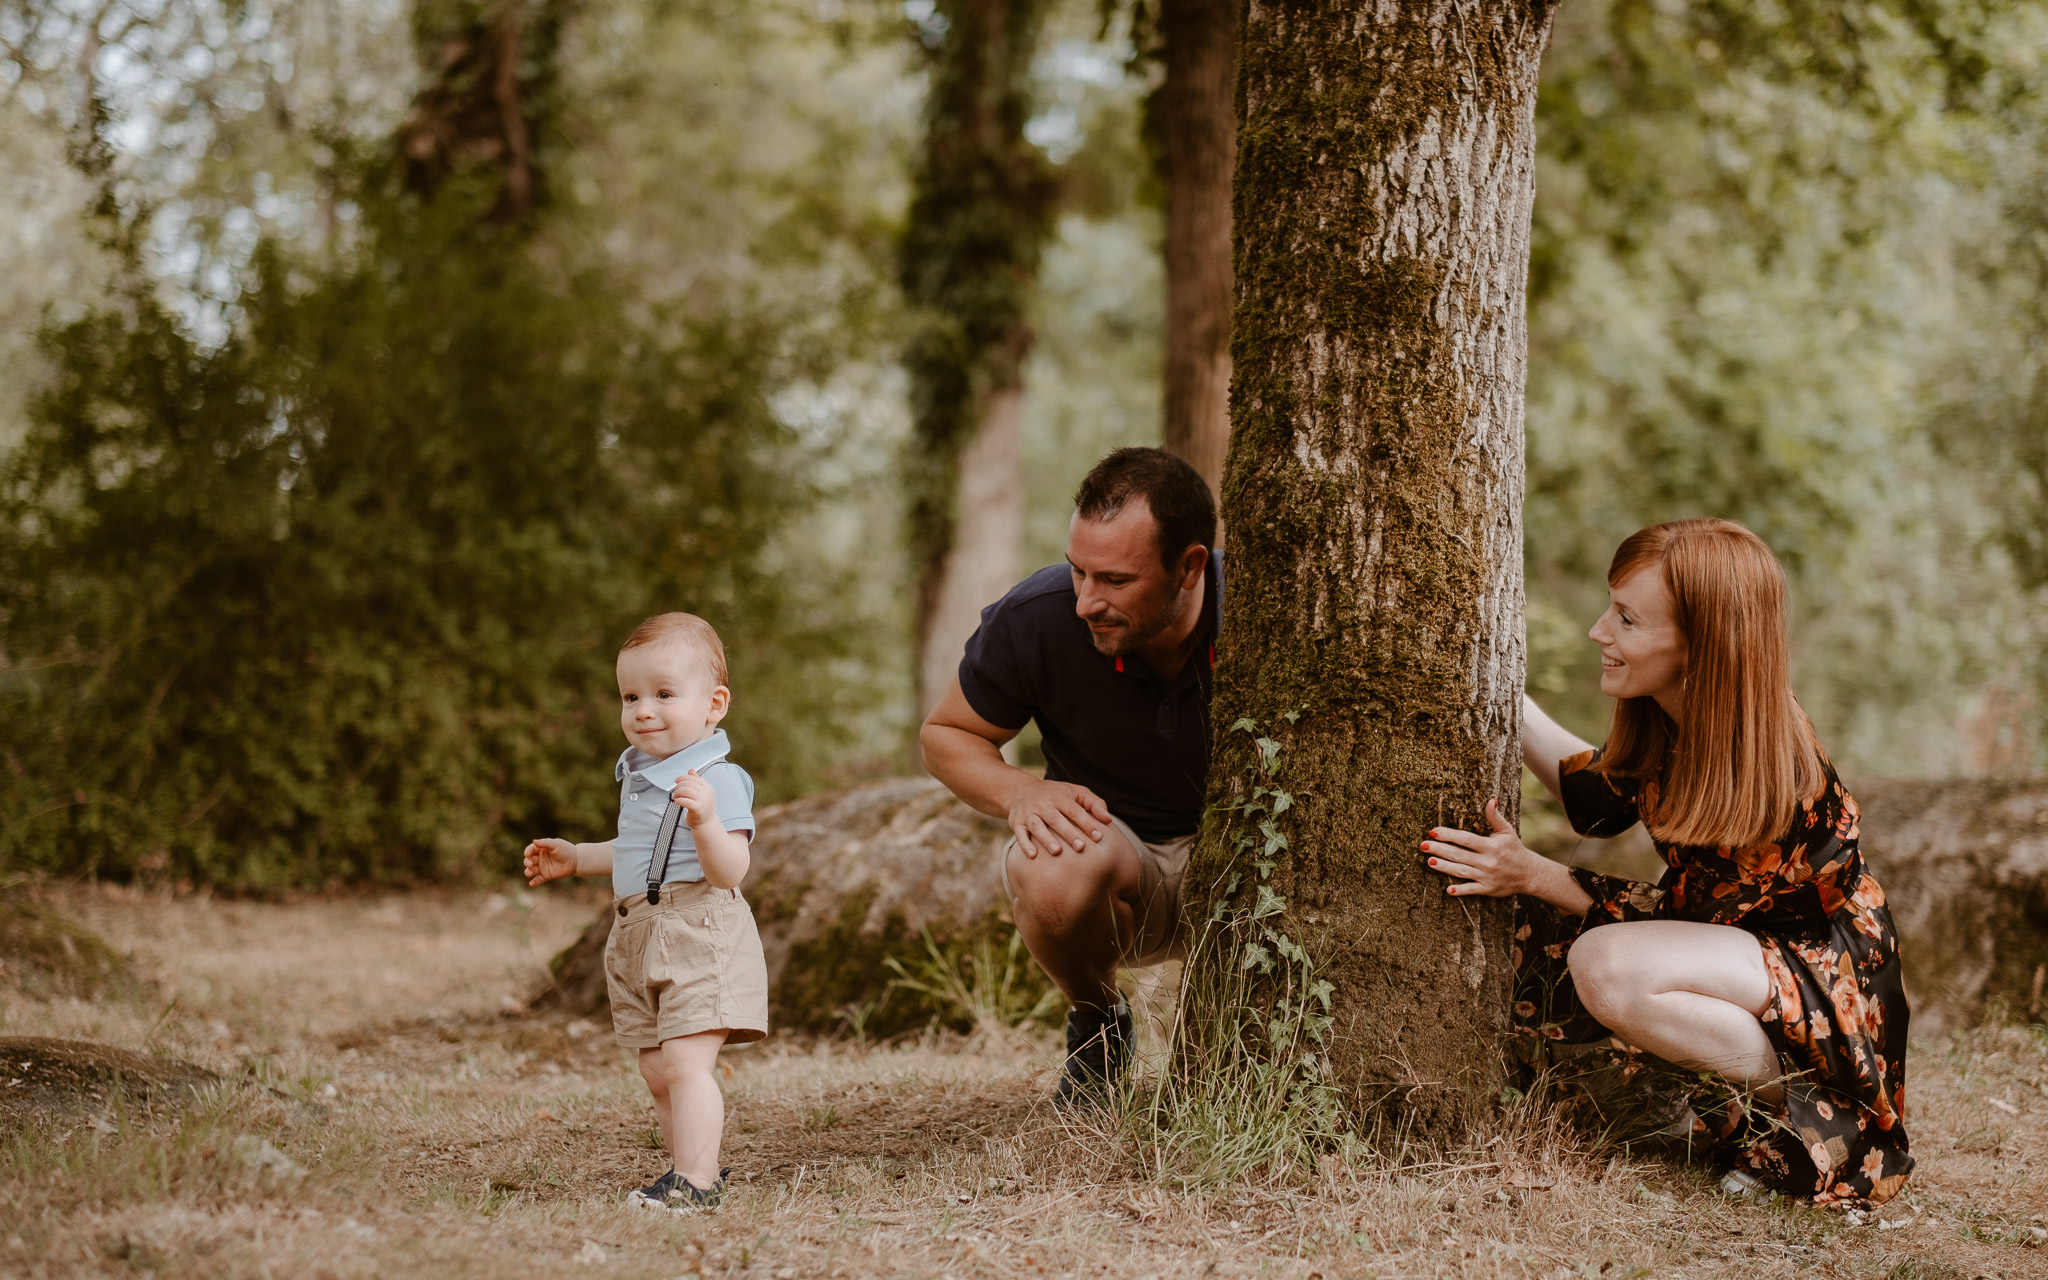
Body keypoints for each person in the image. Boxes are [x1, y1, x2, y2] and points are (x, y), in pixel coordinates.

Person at [1422, 519, 1911, 1208]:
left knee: (1607, 964)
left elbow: (1682, 920)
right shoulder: (1671, 714)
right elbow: (1595, 801)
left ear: (1700, 648)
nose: (1599, 631)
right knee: (1588, 949)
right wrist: (1500, 688)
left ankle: (1820, 1111)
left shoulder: (1771, 775)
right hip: (1746, 955)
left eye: (1626, 619)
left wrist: (1531, 872)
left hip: (1822, 974)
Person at [920, 447, 1220, 1106]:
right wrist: (1021, 790)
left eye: (1114, 579)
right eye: (1077, 570)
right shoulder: (1035, 618)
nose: (1086, 601)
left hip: (1244, 866)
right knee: (1049, 868)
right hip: (1119, 864)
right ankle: (1099, 1021)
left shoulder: (1280, 620)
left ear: (1190, 566)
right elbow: (946, 737)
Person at [522, 612, 768, 1211]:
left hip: (699, 930)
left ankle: (697, 1183)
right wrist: (578, 858)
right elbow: (640, 852)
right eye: (630, 696)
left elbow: (729, 871)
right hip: (637, 931)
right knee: (657, 1068)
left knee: (685, 1062)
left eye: (663, 694)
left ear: (714, 705)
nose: (642, 710)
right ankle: (689, 1165)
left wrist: (707, 820)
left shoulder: (718, 779)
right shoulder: (638, 777)